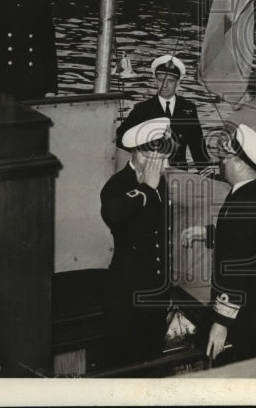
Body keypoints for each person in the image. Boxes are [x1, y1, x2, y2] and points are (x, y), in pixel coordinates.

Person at [181, 124, 256, 365]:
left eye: (226, 159)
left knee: (232, 362)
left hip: (248, 306)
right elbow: (249, 240)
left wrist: (222, 323)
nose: (222, 164)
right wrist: (209, 233)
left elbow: (237, 266)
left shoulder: (242, 205)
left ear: (240, 164)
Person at [100, 117, 175, 368]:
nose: (165, 164)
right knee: (125, 365)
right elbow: (113, 214)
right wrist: (145, 189)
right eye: (159, 158)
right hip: (127, 295)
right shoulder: (117, 185)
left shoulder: (160, 182)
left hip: (155, 293)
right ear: (140, 154)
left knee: (152, 359)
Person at [116, 55, 210, 167]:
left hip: (178, 172)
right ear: (155, 81)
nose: (164, 85)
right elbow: (122, 140)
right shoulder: (142, 109)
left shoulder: (188, 109)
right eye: (161, 80)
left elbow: (197, 147)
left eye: (170, 81)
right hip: (149, 171)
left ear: (178, 83)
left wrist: (206, 172)